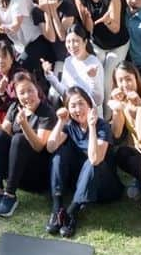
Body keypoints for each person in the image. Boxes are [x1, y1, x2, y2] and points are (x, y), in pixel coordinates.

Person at [45, 86, 123, 237]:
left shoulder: (102, 126)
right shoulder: (70, 126)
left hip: (105, 187)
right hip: (82, 183)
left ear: (89, 105)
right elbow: (50, 146)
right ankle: (57, 207)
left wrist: (92, 127)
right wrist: (61, 121)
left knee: (92, 161)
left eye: (81, 103)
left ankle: (71, 212)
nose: (77, 109)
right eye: (72, 106)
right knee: (59, 153)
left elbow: (95, 159)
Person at [0, 72, 58, 219]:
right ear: (17, 95)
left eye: (30, 90)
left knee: (19, 139)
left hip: (35, 175)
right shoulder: (15, 107)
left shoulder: (47, 112)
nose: (27, 96)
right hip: (14, 170)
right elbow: (2, 136)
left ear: (37, 89)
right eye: (22, 92)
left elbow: (39, 146)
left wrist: (24, 125)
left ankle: (10, 195)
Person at [75, 0, 129, 102]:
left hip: (117, 44)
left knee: (107, 80)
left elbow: (116, 29)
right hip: (97, 43)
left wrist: (107, 21)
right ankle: (96, 113)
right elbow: (88, 30)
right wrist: (87, 20)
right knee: (94, 76)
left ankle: (108, 116)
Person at [108, 61, 141, 203]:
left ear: (136, 79)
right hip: (139, 152)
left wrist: (140, 109)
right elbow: (116, 134)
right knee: (121, 154)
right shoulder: (123, 103)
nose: (125, 84)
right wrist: (117, 110)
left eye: (128, 79)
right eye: (120, 81)